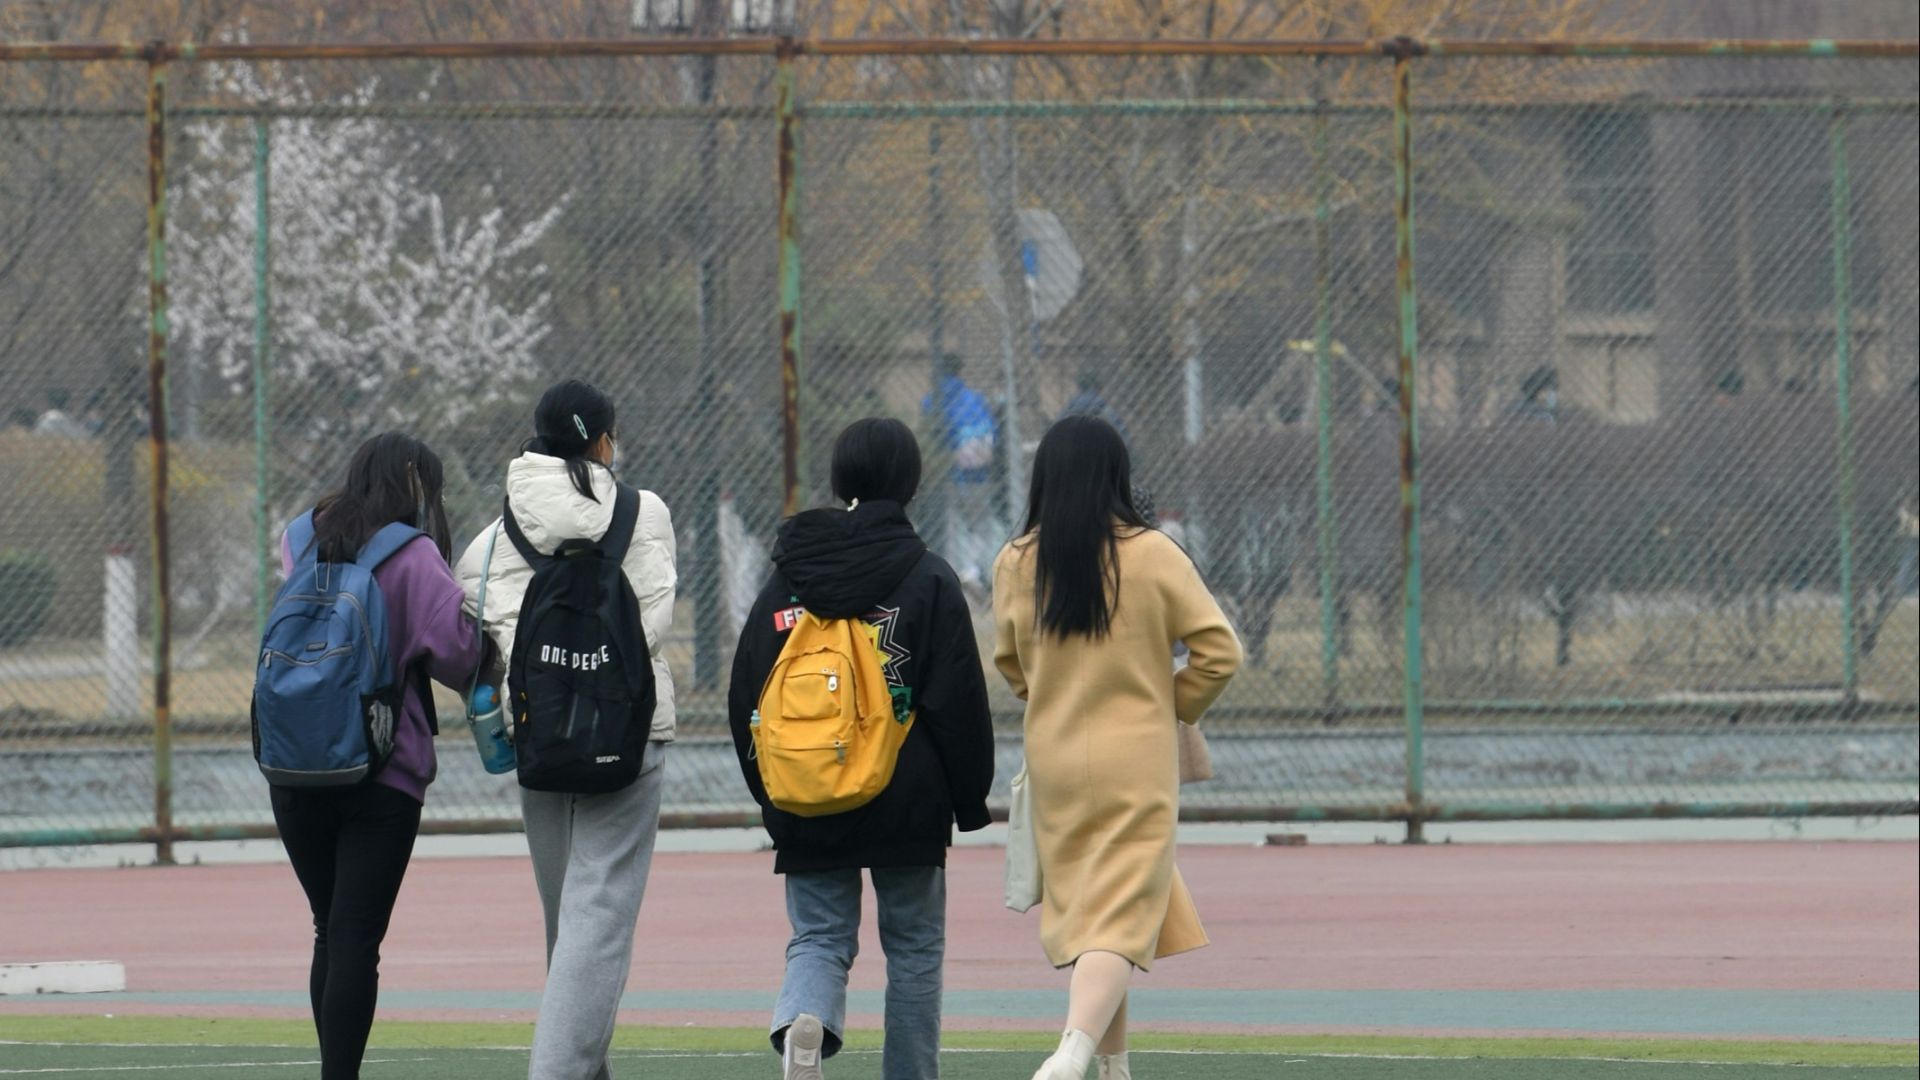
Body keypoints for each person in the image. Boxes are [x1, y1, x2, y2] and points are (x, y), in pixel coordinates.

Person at [728, 417, 995, 1080]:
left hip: (809, 786)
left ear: (840, 477)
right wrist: (969, 800)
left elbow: (748, 692)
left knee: (818, 936)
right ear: (909, 483)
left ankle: (803, 1024)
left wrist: (772, 792)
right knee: (913, 946)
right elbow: (958, 701)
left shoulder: (790, 579)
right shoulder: (929, 578)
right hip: (909, 794)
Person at [991, 415, 1242, 1080]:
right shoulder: (1155, 554)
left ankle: (1114, 1068)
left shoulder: (1015, 561)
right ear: (1118, 477)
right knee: (1121, 914)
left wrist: (1050, 692)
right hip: (1136, 762)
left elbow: (1010, 664)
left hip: (1055, 760)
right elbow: (1221, 654)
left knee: (1094, 913)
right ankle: (1071, 1055)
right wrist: (1171, 703)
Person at [454, 380, 678, 1080]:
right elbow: (656, 619)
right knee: (599, 917)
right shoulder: (644, 514)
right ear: (602, 440)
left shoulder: (490, 541)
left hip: (539, 738)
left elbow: (480, 631)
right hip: (628, 735)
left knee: (569, 918)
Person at [271, 432, 491, 1080]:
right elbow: (459, 656)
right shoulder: (415, 556)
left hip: (294, 763)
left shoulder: (298, 539)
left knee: (327, 928)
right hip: (380, 768)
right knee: (355, 938)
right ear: (416, 485)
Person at [922, 354, 999, 587]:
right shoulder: (975, 399)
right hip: (978, 472)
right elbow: (993, 430)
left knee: (952, 522)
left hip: (945, 471)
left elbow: (928, 432)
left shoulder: (932, 399)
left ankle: (958, 570)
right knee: (979, 522)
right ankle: (975, 569)